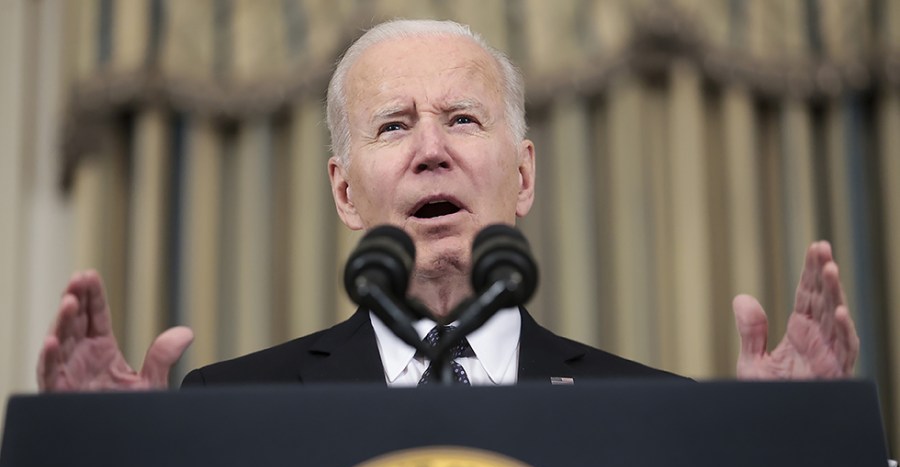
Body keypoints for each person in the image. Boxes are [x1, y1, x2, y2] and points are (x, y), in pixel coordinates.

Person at [37, 19, 859, 391]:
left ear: (525, 177)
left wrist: (779, 451)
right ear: (345, 191)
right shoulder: (230, 406)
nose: (432, 147)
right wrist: (114, 462)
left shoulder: (654, 412)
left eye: (463, 119)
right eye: (393, 126)